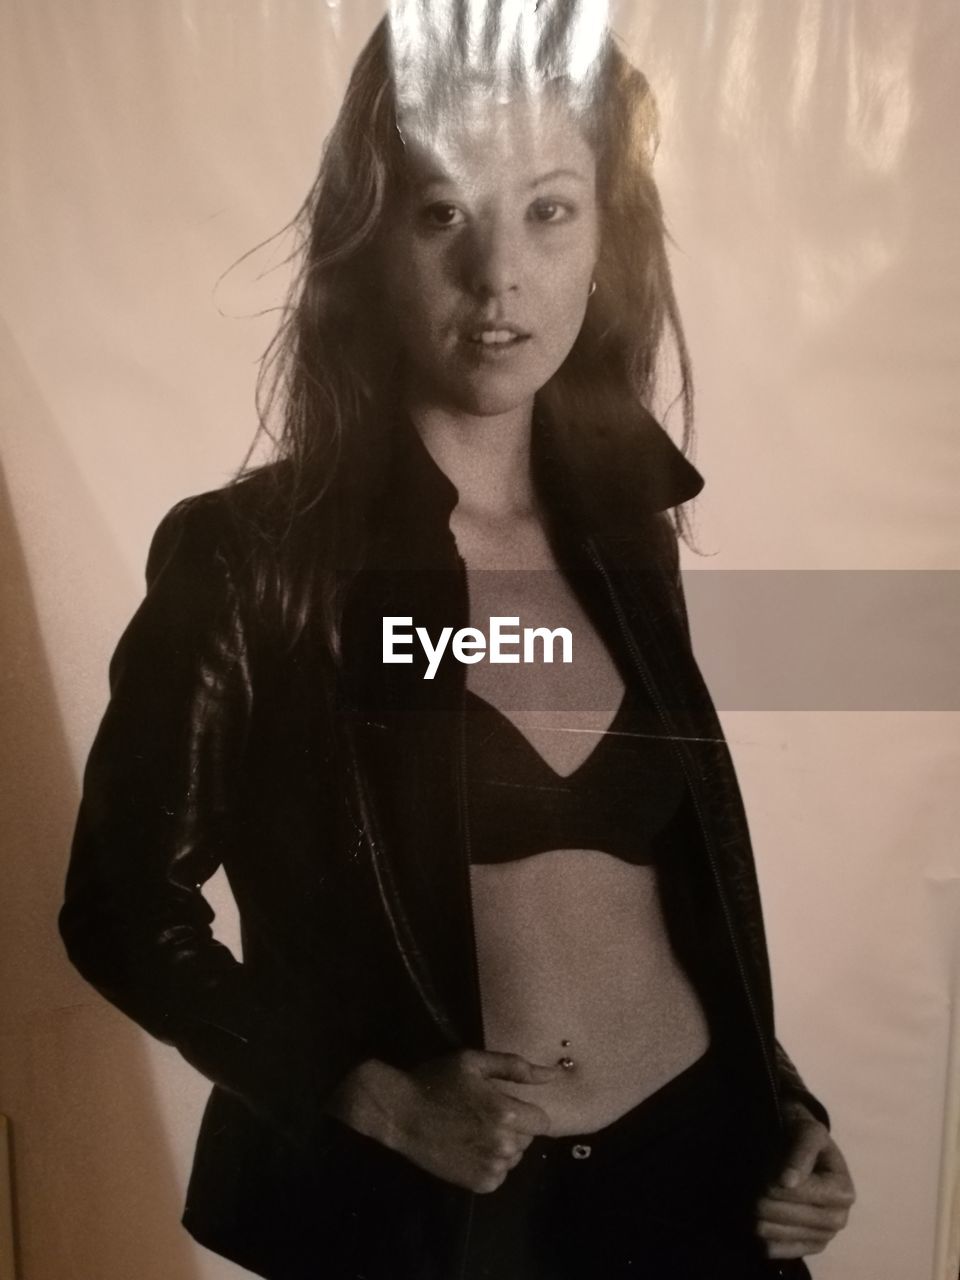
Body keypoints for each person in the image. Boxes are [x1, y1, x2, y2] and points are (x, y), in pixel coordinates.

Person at [59, 5, 855, 1278]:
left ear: (606, 238)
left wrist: (787, 1103)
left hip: (708, 1181)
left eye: (547, 211)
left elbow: (672, 886)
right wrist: (370, 1092)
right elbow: (120, 907)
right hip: (448, 1221)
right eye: (442, 216)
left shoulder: (624, 532)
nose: (499, 280)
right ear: (372, 242)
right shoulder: (259, 562)